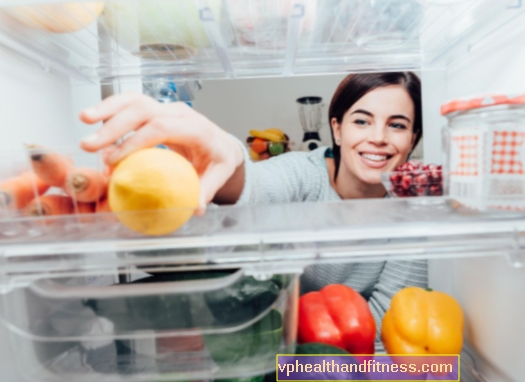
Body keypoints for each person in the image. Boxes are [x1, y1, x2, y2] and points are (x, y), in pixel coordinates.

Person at [79, 72, 428, 352]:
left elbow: (393, 316)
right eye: (362, 121)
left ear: (412, 139)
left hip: (339, 358)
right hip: (276, 344)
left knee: (438, 369)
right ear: (337, 128)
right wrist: (227, 157)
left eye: (397, 125)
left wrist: (315, 363)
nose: (378, 138)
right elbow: (256, 187)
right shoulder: (303, 172)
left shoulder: (416, 205)